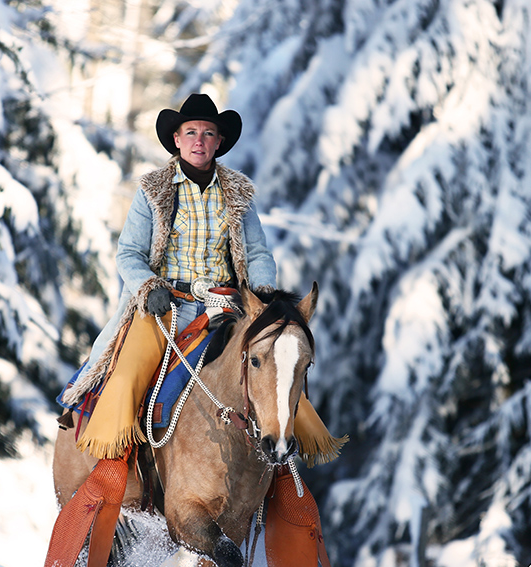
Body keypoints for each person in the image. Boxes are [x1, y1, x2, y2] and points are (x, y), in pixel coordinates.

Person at [58, 93, 345, 465]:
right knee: (129, 374)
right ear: (176, 139)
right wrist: (148, 287)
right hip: (164, 307)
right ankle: (110, 472)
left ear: (219, 142)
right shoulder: (153, 191)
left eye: (208, 133)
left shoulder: (238, 194)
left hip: (227, 307)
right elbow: (129, 253)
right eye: (190, 132)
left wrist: (261, 299)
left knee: (277, 370)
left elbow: (257, 253)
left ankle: (287, 480)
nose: (199, 141)